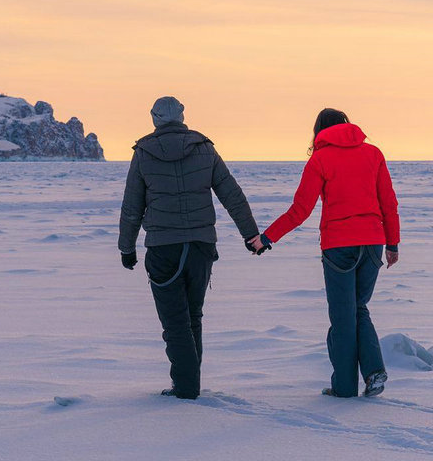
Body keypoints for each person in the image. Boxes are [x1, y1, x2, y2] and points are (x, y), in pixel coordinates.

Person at [247, 108, 400, 398]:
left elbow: (300, 210)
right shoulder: (373, 153)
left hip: (339, 246)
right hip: (373, 243)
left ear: (319, 130)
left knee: (343, 317)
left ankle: (344, 388)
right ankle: (373, 371)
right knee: (358, 307)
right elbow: (388, 203)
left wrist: (266, 238)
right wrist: (392, 244)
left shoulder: (320, 159)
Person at [119, 96, 263, 400]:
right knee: (192, 316)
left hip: (163, 249)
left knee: (175, 322)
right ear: (182, 117)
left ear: (155, 118)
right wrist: (250, 234)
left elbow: (132, 207)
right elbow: (232, 195)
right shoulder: (204, 148)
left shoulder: (143, 153)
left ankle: (186, 388)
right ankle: (189, 382)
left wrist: (127, 248)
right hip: (200, 247)